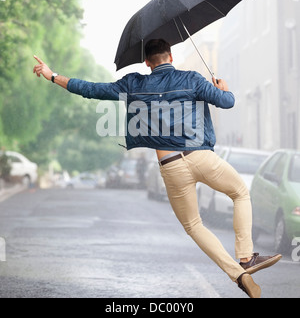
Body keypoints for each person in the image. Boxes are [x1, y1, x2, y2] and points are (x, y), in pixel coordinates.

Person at [33, 39, 281, 298]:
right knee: (240, 192)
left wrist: (53, 76)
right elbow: (227, 102)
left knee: (194, 225)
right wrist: (225, 89)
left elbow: (91, 89)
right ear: (171, 56)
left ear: (147, 62)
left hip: (171, 166)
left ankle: (239, 276)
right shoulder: (192, 79)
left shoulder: (133, 83)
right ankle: (245, 257)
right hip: (200, 156)